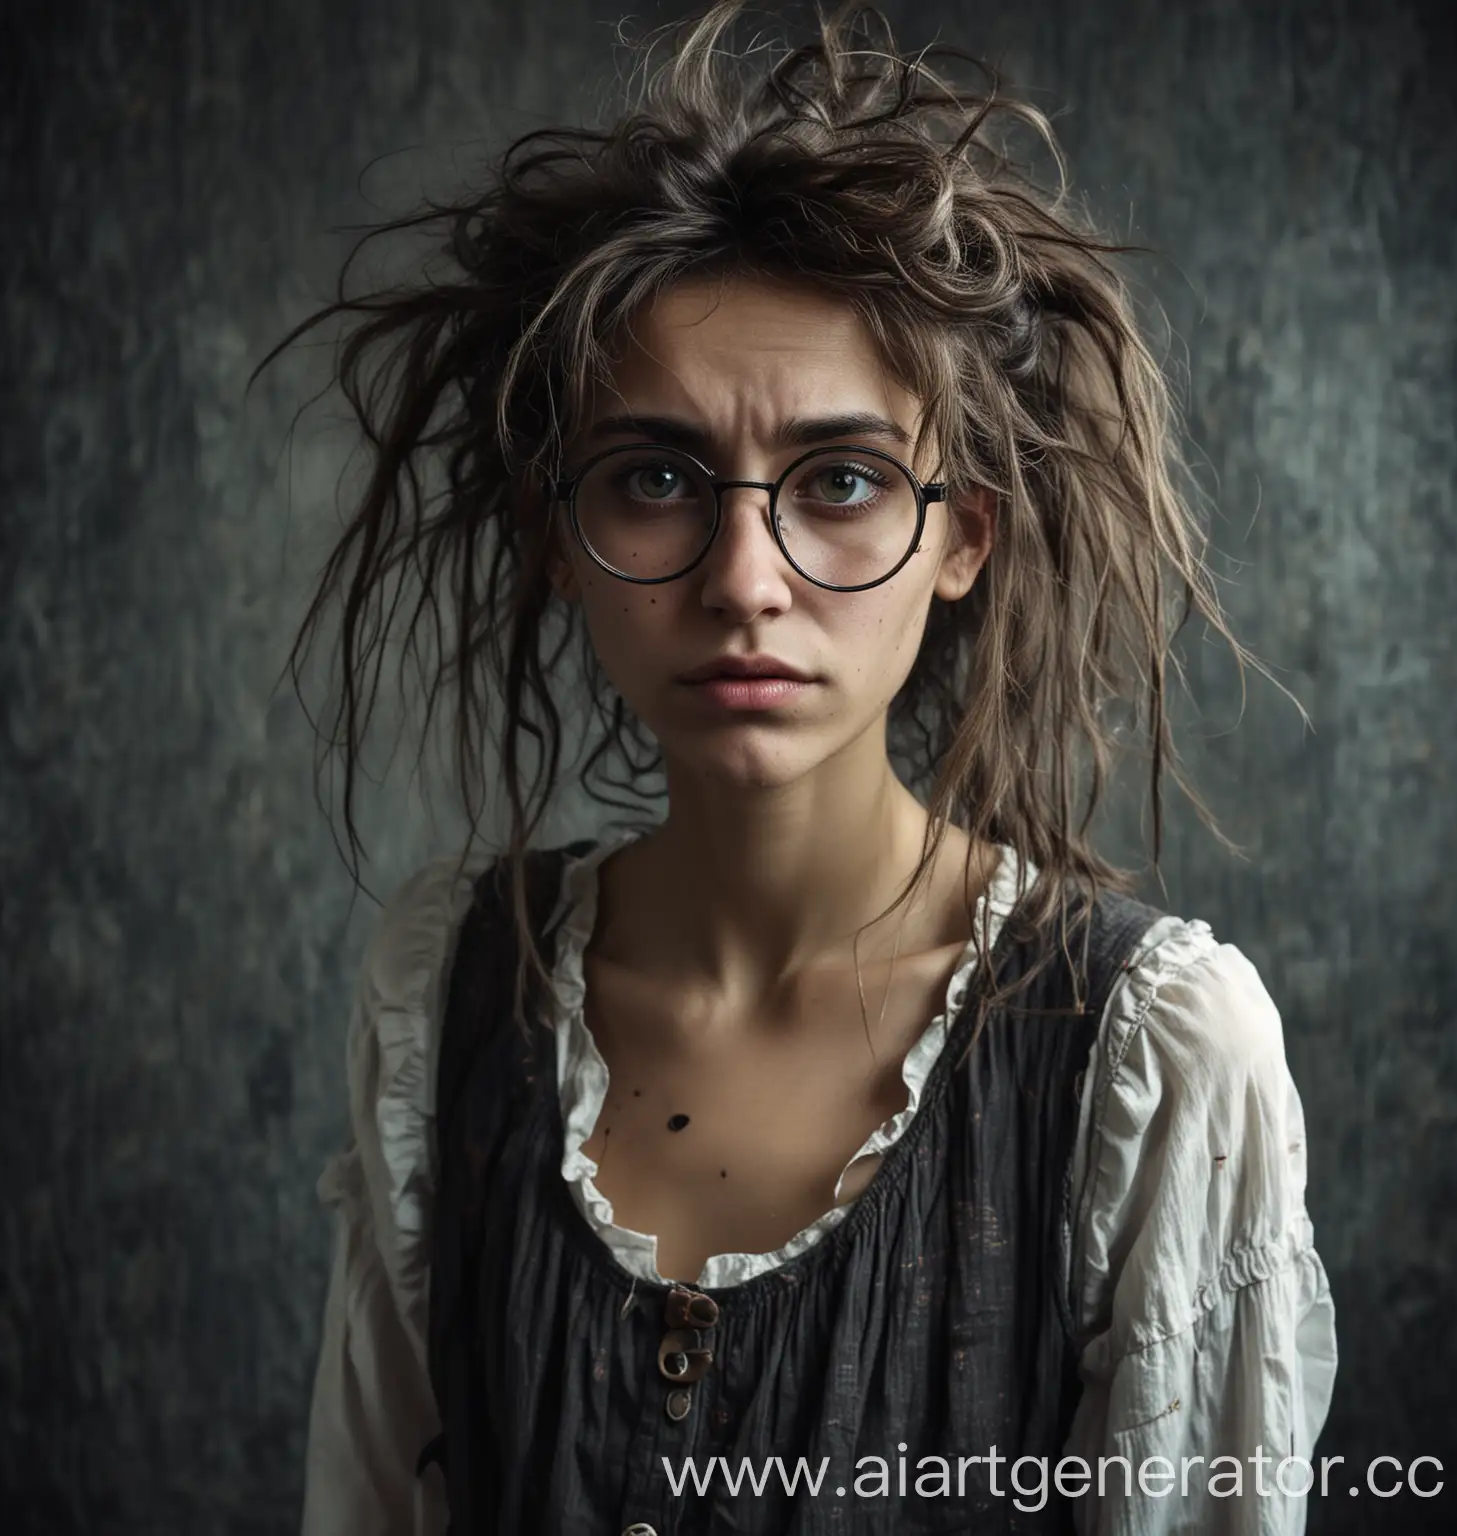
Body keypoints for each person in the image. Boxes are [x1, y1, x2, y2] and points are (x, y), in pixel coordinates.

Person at [269, 3, 1337, 1531]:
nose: (745, 578)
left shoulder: (1155, 1058)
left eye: (840, 482)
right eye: (655, 480)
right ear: (553, 532)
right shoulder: (448, 997)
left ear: (963, 533)